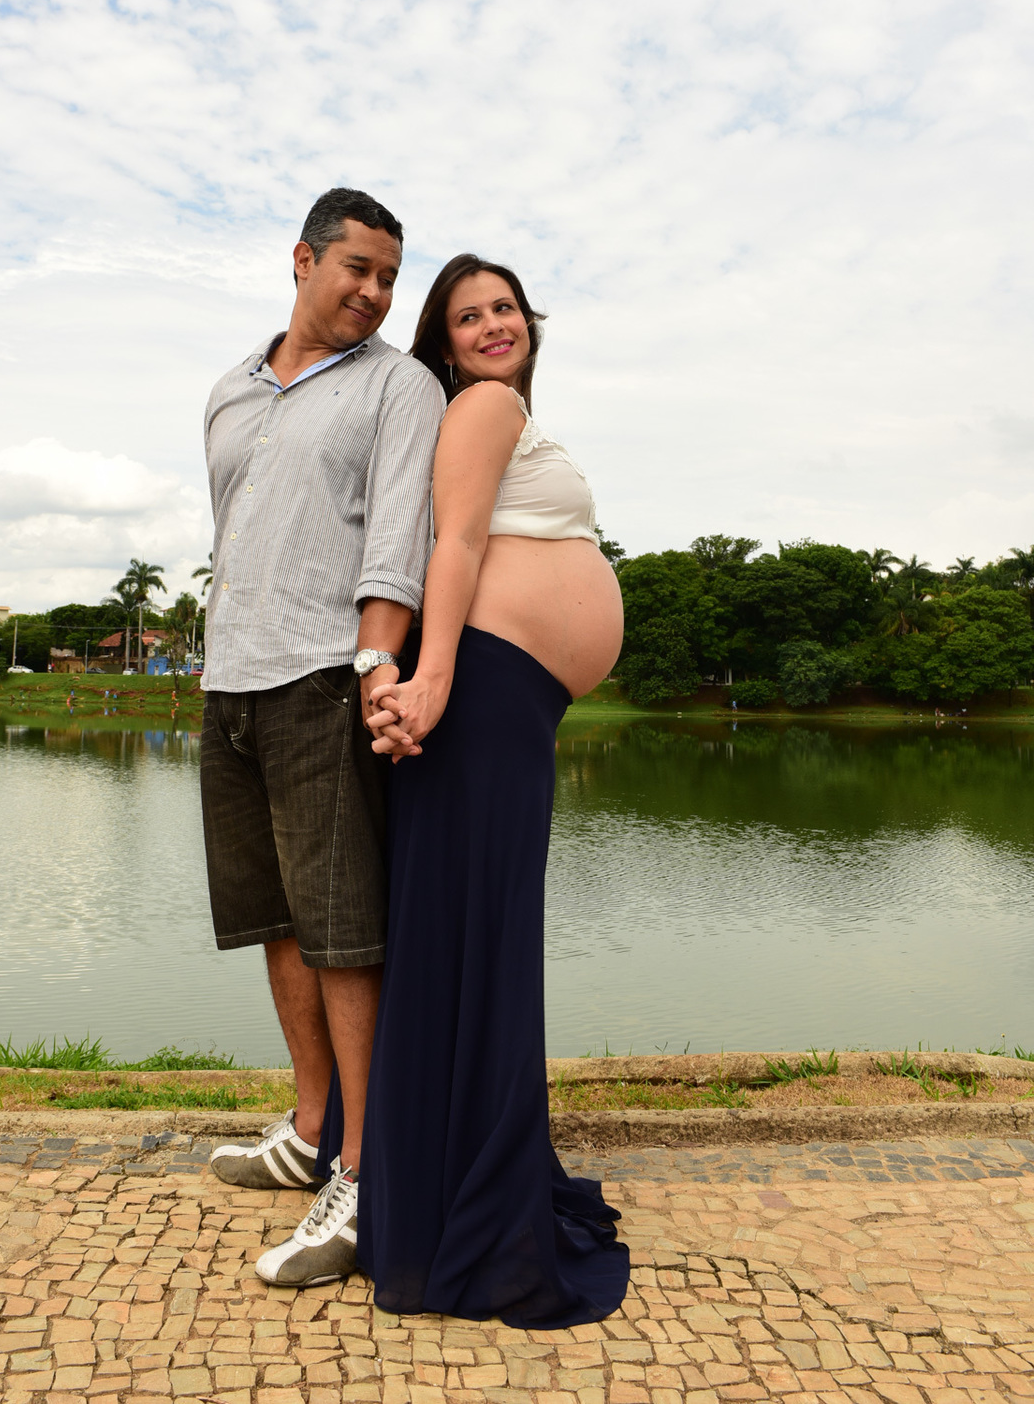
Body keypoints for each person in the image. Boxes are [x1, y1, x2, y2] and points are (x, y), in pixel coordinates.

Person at [359, 252, 631, 1327]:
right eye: (468, 316)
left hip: (508, 696)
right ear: (446, 340)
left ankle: (444, 1192)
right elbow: (460, 542)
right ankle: (461, 1216)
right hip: (479, 689)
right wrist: (429, 680)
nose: (491, 326)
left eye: (504, 307)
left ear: (529, 320)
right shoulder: (482, 406)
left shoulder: (498, 411)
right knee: (480, 939)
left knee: (474, 938)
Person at [199, 187, 444, 1286]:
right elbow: (236, 536)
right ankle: (309, 1130)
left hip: (322, 682)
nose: (377, 293)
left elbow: (396, 538)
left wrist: (375, 662)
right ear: (303, 260)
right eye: (360, 269)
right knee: (277, 920)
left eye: (390, 276)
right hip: (230, 682)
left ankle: (363, 1171)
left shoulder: (399, 385)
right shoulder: (228, 391)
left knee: (343, 929)